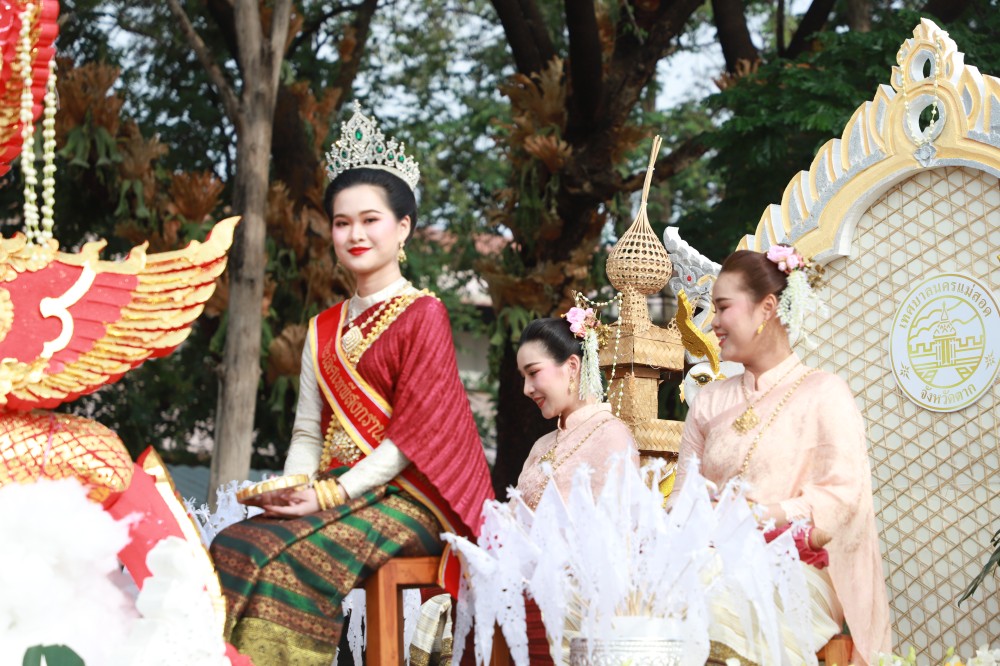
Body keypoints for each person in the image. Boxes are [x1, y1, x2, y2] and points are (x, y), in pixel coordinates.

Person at [210, 102, 494, 666]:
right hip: (334, 490)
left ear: (403, 227)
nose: (355, 234)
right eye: (342, 223)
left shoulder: (425, 315)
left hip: (411, 501)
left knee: (291, 559)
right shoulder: (323, 328)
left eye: (370, 219)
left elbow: (409, 440)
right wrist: (296, 487)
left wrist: (328, 494)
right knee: (235, 545)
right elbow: (308, 433)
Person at [674, 247, 892, 665]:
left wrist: (760, 516)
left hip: (797, 569)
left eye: (723, 307)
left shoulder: (823, 392)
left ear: (767, 308)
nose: (713, 322)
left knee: (716, 606)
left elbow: (843, 497)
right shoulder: (709, 402)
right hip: (709, 562)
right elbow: (683, 500)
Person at [514, 314, 639, 665]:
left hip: (578, 599)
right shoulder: (541, 445)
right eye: (523, 377)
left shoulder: (611, 435)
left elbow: (616, 544)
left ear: (571, 366)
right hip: (526, 583)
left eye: (533, 373)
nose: (526, 389)